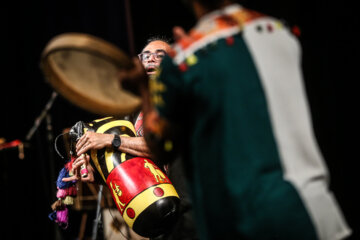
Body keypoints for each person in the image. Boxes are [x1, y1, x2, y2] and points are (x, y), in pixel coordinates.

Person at [118, 0, 352, 239]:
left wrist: (143, 90)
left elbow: (160, 146)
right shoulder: (282, 33)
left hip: (246, 219)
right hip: (315, 209)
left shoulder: (187, 58)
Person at [65, 37, 199, 240]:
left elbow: (159, 145)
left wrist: (111, 140)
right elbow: (139, 167)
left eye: (160, 56)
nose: (151, 60)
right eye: (146, 56)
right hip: (163, 215)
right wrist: (100, 173)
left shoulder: (181, 100)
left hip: (193, 209)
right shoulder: (134, 115)